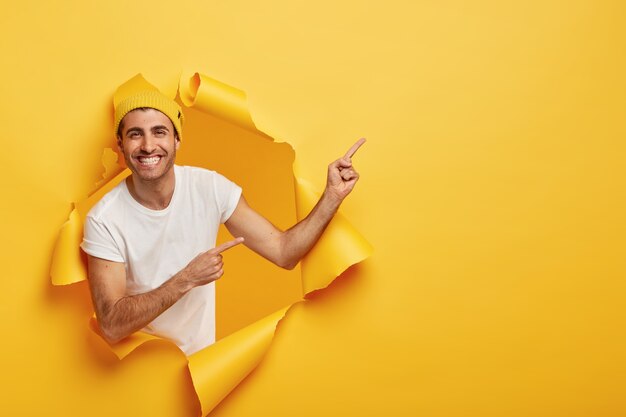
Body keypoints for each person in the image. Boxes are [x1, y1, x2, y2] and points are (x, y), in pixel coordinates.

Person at [81, 89, 365, 355]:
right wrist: (187, 278)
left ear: (177, 139)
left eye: (159, 132)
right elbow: (111, 326)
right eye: (135, 134)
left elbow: (283, 251)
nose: (148, 145)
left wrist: (332, 196)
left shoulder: (210, 188)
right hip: (134, 372)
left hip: (199, 370)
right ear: (120, 144)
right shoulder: (104, 219)